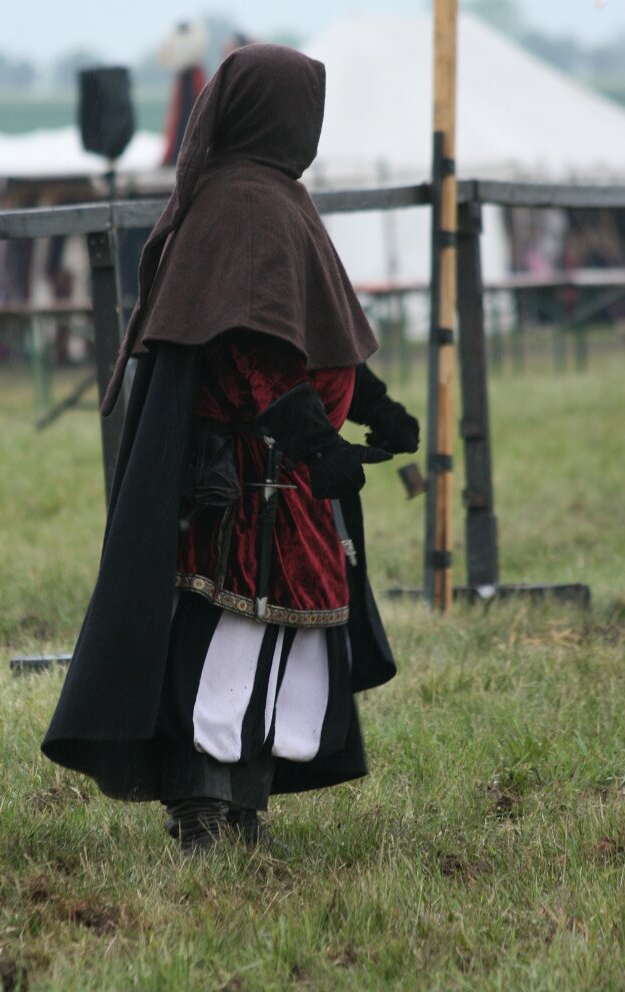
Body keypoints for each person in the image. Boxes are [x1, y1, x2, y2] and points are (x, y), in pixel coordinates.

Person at [42, 44, 419, 852]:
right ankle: (198, 805)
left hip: (293, 482)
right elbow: (253, 348)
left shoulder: (278, 198)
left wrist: (375, 407)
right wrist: (316, 441)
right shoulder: (239, 204)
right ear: (275, 111)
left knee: (287, 646)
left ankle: (246, 802)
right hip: (244, 484)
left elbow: (317, 332)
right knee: (227, 640)